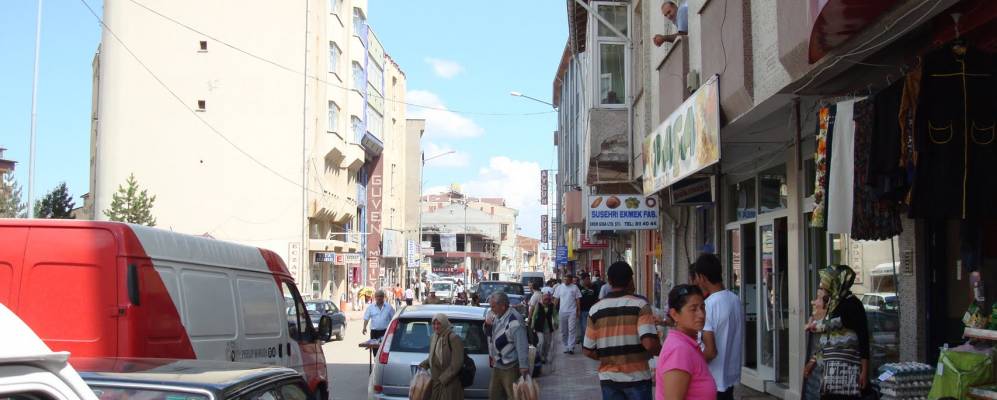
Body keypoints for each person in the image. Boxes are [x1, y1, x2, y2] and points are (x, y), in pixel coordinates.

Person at [583, 261, 661, 400]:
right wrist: (662, 351)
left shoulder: (595, 309)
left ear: (609, 281)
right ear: (631, 280)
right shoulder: (640, 305)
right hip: (637, 379)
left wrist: (610, 357)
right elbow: (649, 343)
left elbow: (587, 350)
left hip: (609, 379)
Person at [806, 265, 870, 399]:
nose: (821, 289)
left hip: (847, 374)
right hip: (829, 376)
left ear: (835, 283)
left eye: (824, 285)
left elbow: (863, 338)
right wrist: (812, 362)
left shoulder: (853, 304)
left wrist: (864, 371)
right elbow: (826, 338)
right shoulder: (833, 304)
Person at [691, 254, 744, 400]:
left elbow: (710, 352)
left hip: (711, 380)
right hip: (729, 377)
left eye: (697, 277)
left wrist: (691, 364)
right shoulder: (735, 300)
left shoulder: (708, 306)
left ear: (702, 277)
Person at [657, 284, 716, 400]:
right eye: (693, 309)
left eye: (702, 308)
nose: (701, 315)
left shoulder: (687, 344)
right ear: (674, 314)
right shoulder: (679, 350)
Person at [487, 291, 530, 400]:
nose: (491, 309)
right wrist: (487, 325)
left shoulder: (515, 320)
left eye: (493, 306)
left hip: (510, 365)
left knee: (513, 396)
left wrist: (523, 366)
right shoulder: (498, 315)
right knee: (493, 395)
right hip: (498, 363)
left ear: (502, 306)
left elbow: (522, 344)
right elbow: (492, 335)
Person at [417, 313, 465, 400]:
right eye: (434, 324)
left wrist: (443, 379)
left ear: (444, 323)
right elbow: (434, 357)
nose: (436, 326)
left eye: (439, 324)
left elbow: (457, 364)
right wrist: (423, 365)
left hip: (449, 383)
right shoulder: (434, 337)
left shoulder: (453, 338)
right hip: (436, 383)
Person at [554, 274, 582, 354]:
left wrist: (578, 310)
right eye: (565, 279)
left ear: (571, 280)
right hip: (562, 311)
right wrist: (553, 310)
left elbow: (577, 299)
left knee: (572, 329)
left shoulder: (575, 287)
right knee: (563, 330)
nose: (566, 281)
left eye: (567, 279)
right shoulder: (559, 288)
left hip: (572, 311)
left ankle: (571, 347)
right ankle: (566, 345)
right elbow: (556, 299)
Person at [530, 287, 558, 364]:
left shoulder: (552, 305)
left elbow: (555, 315)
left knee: (547, 343)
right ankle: (539, 356)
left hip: (548, 327)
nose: (546, 301)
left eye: (548, 299)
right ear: (542, 298)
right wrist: (532, 324)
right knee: (541, 342)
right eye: (545, 299)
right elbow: (534, 315)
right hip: (539, 327)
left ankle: (544, 356)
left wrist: (556, 322)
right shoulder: (538, 305)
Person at [362, 289, 394, 355]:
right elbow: (366, 318)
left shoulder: (389, 307)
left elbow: (393, 318)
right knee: (375, 351)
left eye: (381, 296)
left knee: (385, 350)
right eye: (377, 296)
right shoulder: (370, 307)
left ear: (383, 297)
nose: (379, 298)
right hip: (374, 332)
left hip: (385, 332)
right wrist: (364, 328)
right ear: (375, 297)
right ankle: (375, 360)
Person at [578, 272, 599, 345]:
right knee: (584, 328)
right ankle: (584, 344)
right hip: (583, 311)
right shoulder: (579, 288)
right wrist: (578, 310)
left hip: (592, 310)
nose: (588, 280)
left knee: (593, 328)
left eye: (589, 279)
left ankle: (592, 343)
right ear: (583, 280)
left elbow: (597, 298)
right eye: (586, 279)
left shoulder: (594, 286)